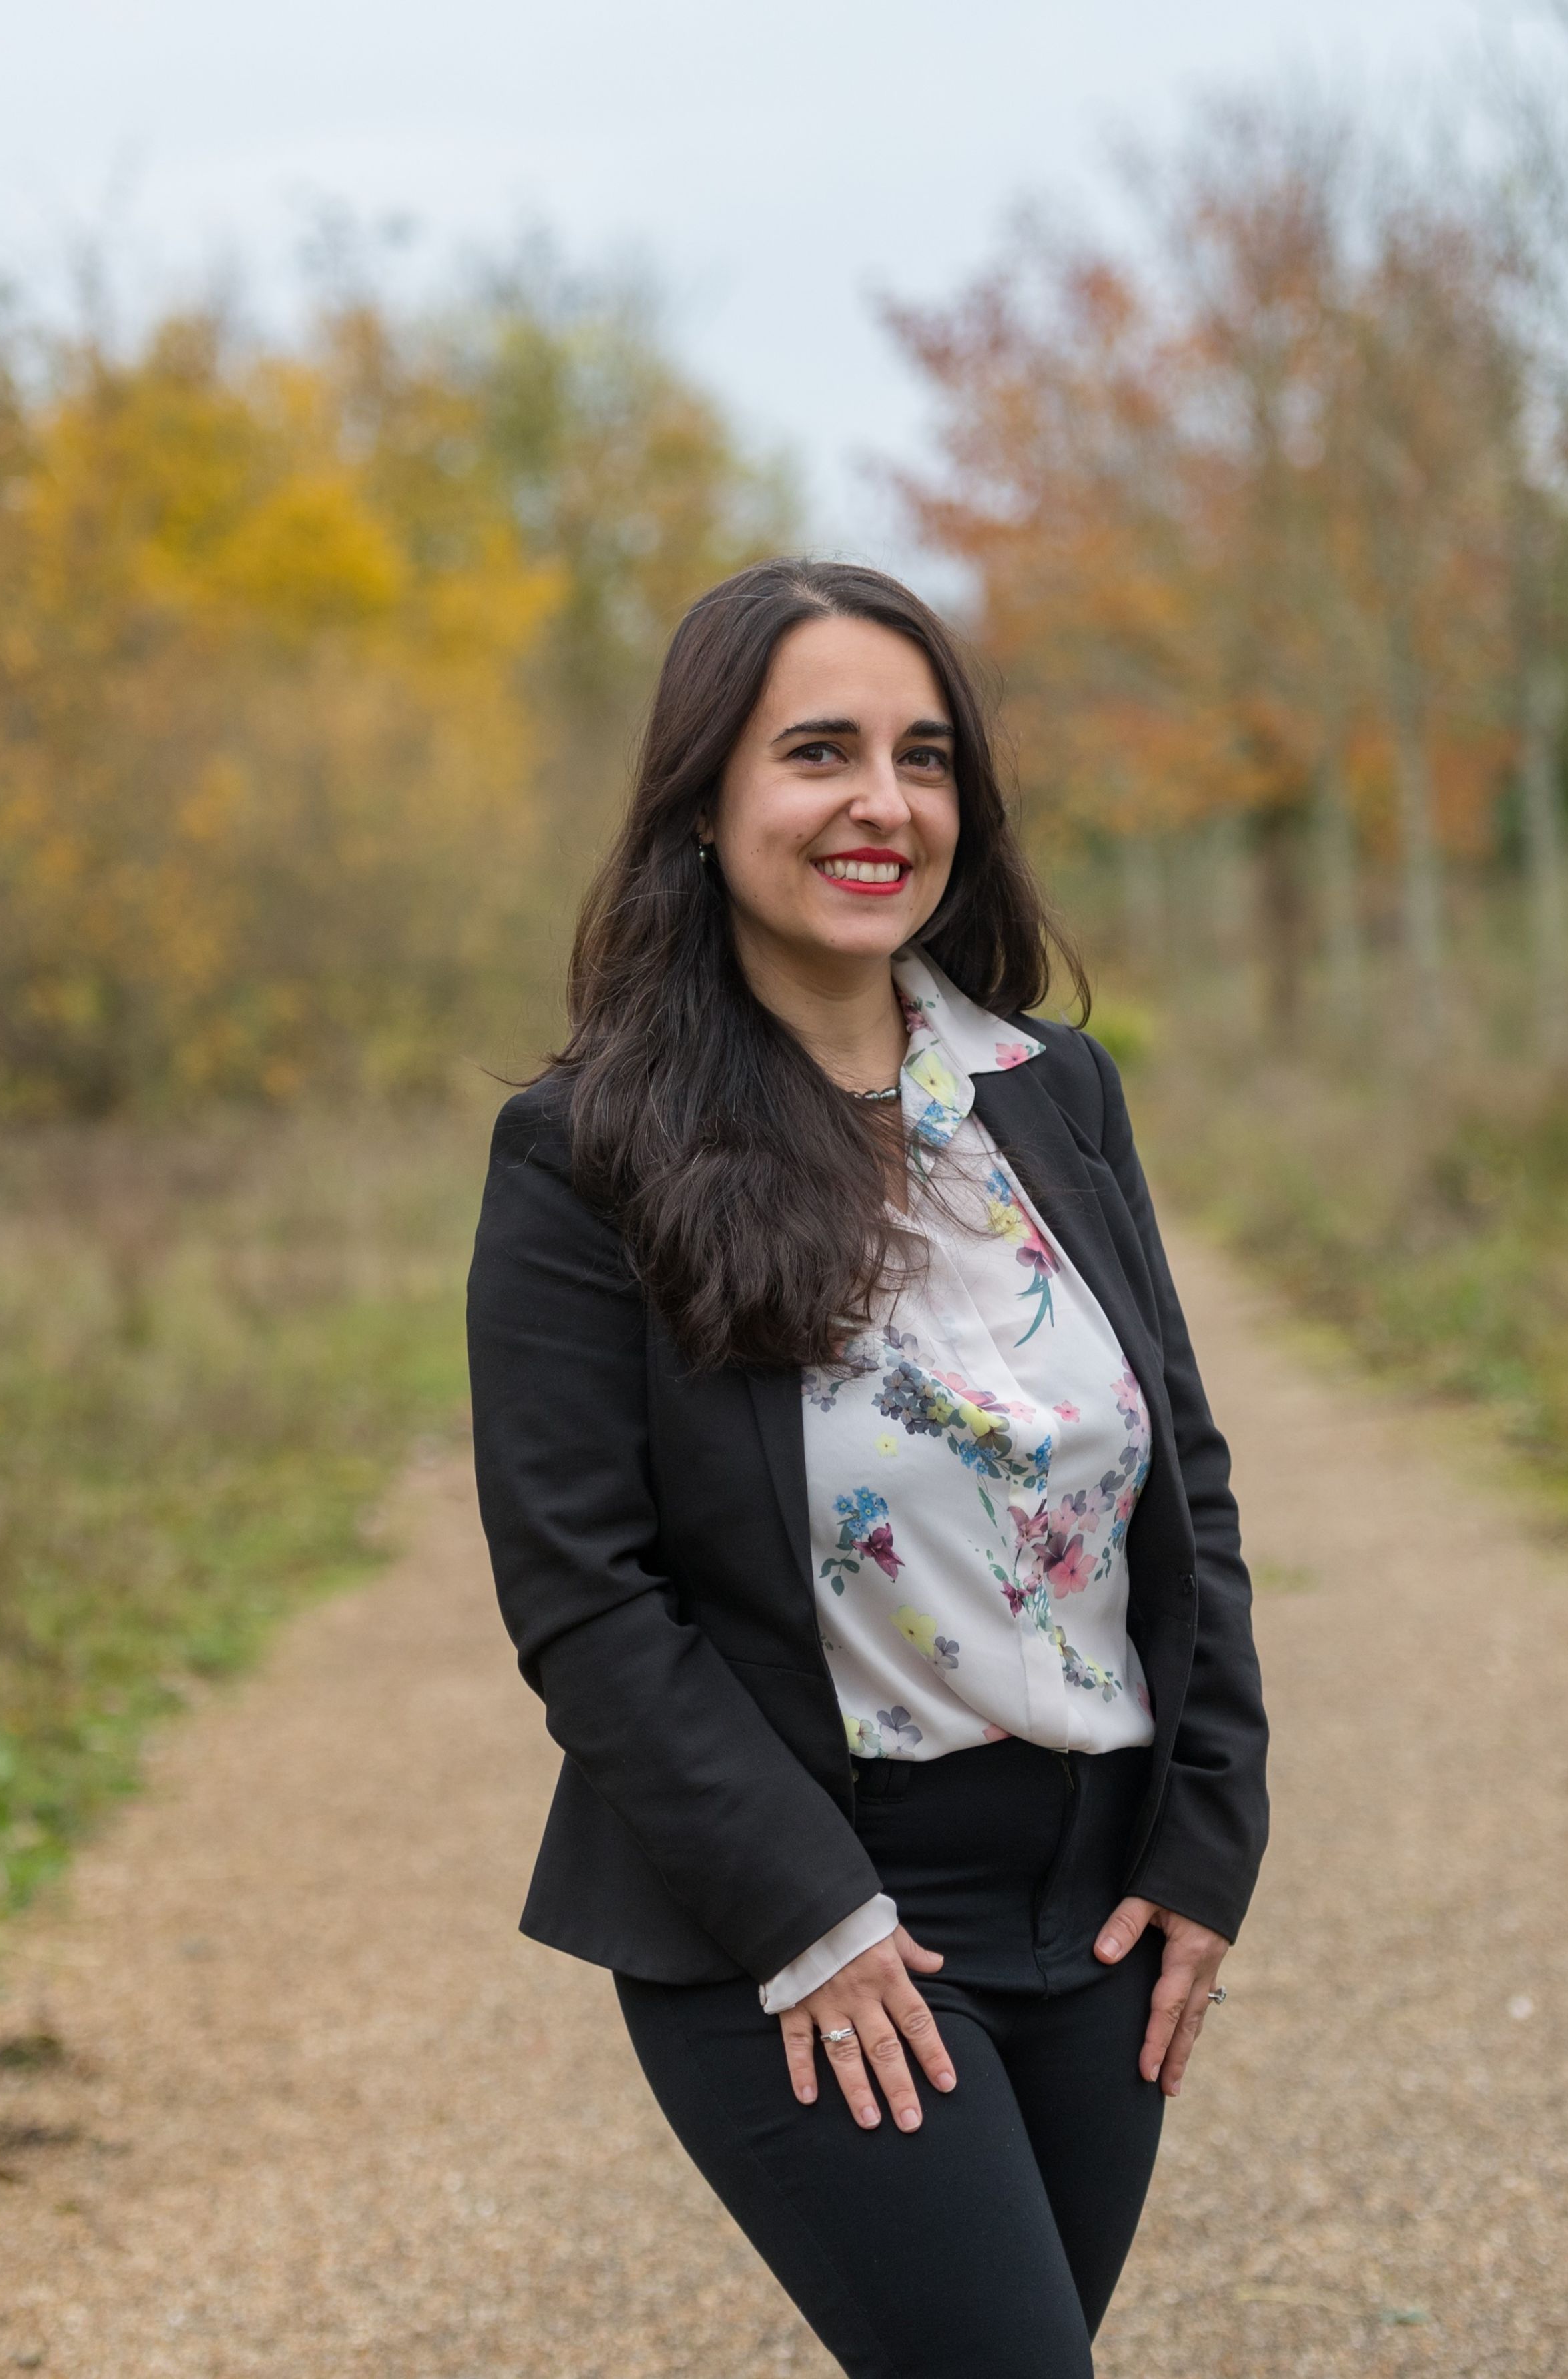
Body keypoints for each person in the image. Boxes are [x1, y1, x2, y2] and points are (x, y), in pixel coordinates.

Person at [464, 559, 1269, 2378]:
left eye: (922, 756)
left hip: (1103, 1900)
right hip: (812, 1915)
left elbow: (1183, 1490)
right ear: (706, 801)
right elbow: (583, 1594)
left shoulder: (1053, 1095)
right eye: (817, 751)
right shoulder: (586, 1154)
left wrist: (1215, 1835)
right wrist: (809, 1924)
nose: (881, 803)